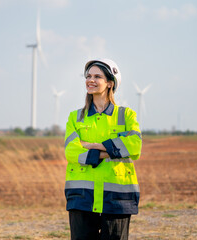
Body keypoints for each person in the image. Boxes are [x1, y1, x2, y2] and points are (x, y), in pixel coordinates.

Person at [64, 59, 142, 240]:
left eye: (97, 76)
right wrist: (115, 149)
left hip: (117, 199)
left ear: (110, 83)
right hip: (82, 198)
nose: (90, 80)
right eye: (88, 76)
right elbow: (71, 151)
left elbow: (135, 146)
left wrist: (91, 146)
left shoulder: (127, 115)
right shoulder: (75, 117)